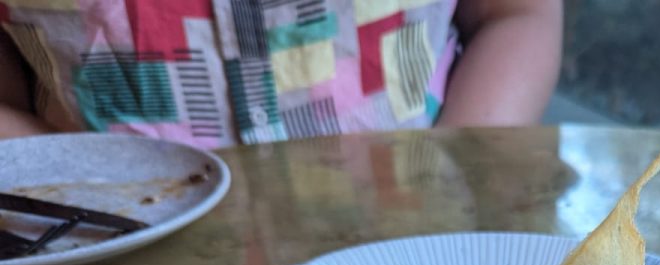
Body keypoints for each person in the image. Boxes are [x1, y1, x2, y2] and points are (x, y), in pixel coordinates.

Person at [0, 0, 561, 146]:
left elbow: (515, 14)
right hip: (106, 248)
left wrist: (459, 167)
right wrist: (65, 176)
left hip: (418, 221)